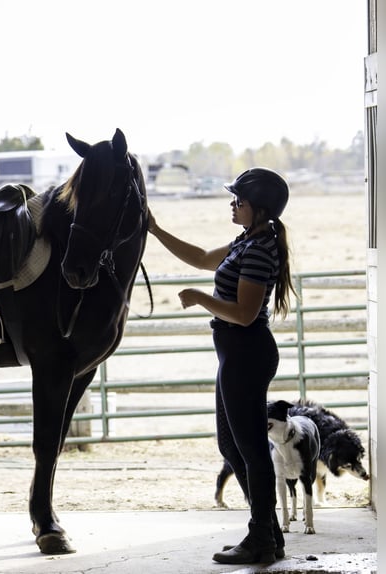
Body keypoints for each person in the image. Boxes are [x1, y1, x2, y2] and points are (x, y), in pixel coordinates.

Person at [147, 167, 295, 565]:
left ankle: (261, 537)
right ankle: (268, 532)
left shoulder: (261, 248)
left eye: (239, 201)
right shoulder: (245, 240)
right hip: (235, 353)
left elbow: (245, 314)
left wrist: (200, 298)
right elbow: (199, 257)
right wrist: (155, 230)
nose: (233, 205)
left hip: (246, 351)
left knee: (249, 450)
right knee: (232, 446)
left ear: (259, 208)